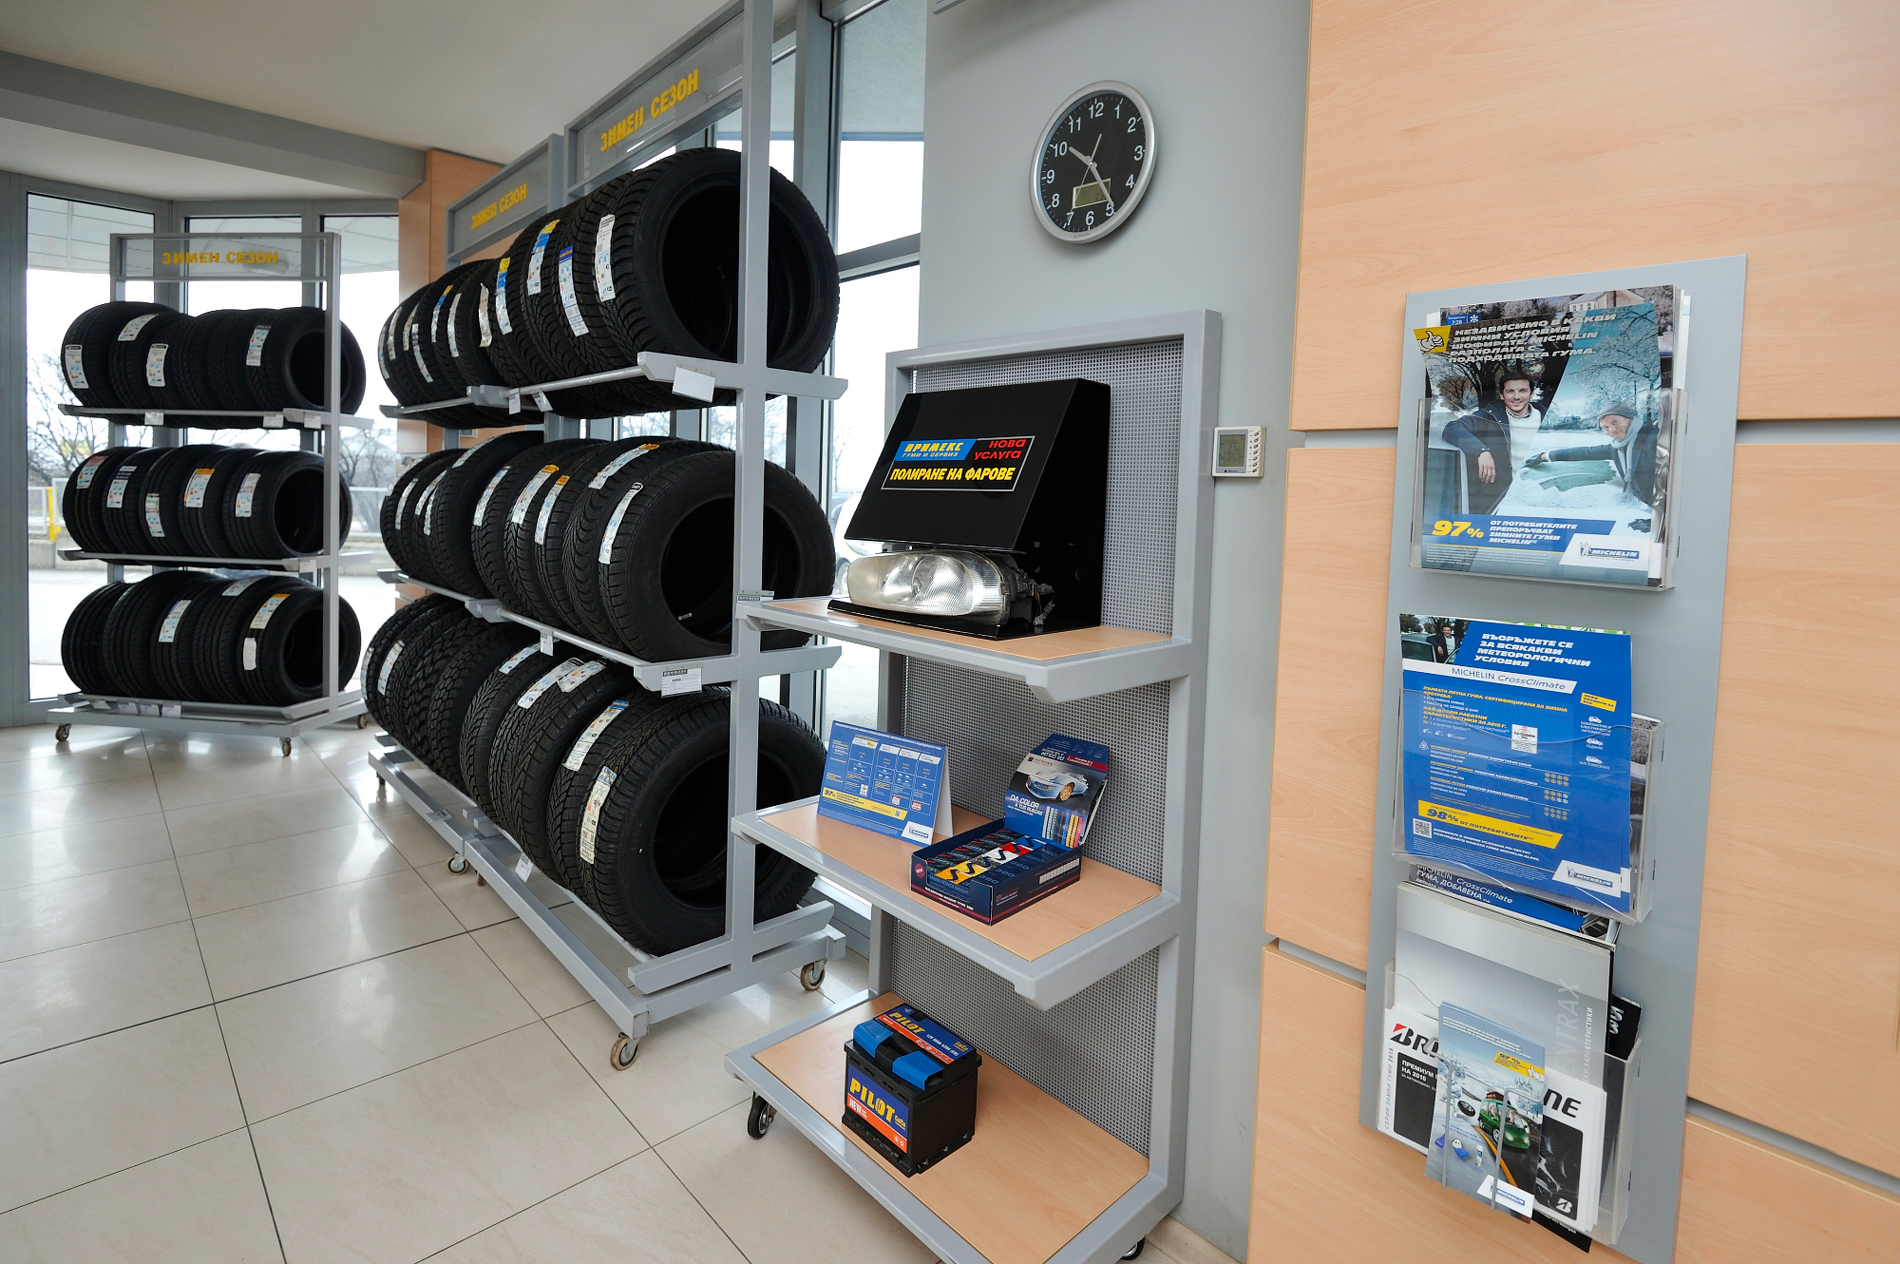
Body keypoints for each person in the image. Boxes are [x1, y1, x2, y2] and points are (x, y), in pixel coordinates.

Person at [1442, 370, 1540, 514]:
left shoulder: (1545, 415)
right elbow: (1452, 428)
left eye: (1523, 391)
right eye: (1510, 391)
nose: (1516, 397)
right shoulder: (1488, 416)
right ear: (1502, 395)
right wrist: (1481, 451)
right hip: (1504, 499)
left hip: (1538, 493)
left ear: (1531, 394)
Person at [1527, 401, 1659, 506]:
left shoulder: (1654, 438)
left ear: (1629, 418)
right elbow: (1584, 453)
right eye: (1605, 427)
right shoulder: (1616, 448)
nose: (1612, 430)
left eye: (1615, 422)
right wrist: (1545, 456)